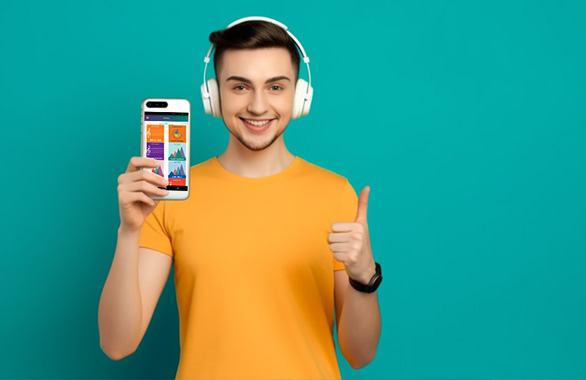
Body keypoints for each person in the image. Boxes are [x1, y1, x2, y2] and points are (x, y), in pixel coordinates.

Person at [98, 16, 382, 380]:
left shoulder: (335, 193)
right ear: (214, 96)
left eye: (276, 87)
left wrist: (363, 278)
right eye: (240, 87)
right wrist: (129, 231)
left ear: (299, 96)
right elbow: (117, 344)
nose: (259, 106)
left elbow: (360, 355)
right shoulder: (166, 197)